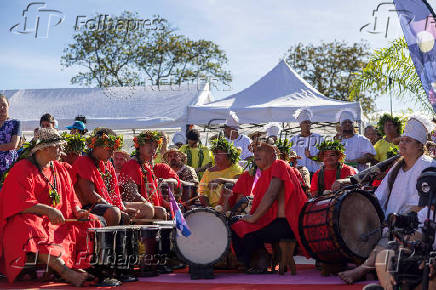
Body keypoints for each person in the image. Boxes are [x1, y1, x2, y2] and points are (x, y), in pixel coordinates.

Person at [338, 116, 436, 284]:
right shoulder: (397, 168)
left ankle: (362, 270)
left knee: (389, 243)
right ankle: (366, 267)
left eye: (408, 141)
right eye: (402, 140)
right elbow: (379, 197)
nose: (402, 144)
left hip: (418, 226)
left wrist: (397, 221)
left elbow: (426, 206)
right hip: (390, 224)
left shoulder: (428, 165)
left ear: (420, 146)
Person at [0, 128, 101, 286]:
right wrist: (48, 210)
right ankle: (65, 272)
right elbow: (18, 202)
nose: (62, 150)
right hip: (30, 220)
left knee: (91, 221)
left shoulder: (60, 168)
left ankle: (83, 267)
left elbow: (71, 196)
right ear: (45, 148)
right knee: (30, 227)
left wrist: (78, 210)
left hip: (58, 220)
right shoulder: (22, 169)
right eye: (58, 146)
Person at [231, 142, 308, 273]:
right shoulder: (265, 173)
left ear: (273, 154)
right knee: (236, 221)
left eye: (261, 150)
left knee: (237, 225)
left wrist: (253, 218)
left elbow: (271, 194)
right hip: (276, 223)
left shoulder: (279, 164)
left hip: (286, 224)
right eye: (254, 151)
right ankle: (257, 259)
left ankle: (259, 260)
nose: (256, 153)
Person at [71, 128, 137, 226]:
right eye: (109, 149)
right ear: (97, 146)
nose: (112, 154)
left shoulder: (108, 165)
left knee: (143, 210)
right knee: (114, 212)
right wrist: (116, 208)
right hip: (85, 207)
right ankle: (106, 241)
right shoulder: (83, 162)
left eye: (113, 150)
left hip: (103, 204)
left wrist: (123, 208)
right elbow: (91, 196)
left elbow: (115, 192)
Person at [119, 130, 178, 219]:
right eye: (150, 145)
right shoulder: (132, 164)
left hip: (146, 206)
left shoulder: (147, 166)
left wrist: (167, 205)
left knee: (164, 211)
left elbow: (153, 194)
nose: (153, 149)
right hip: (130, 208)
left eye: (155, 146)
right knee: (158, 211)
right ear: (140, 146)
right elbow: (133, 194)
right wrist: (151, 206)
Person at [198, 136, 243, 208]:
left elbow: (240, 181)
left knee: (229, 185)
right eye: (215, 153)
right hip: (212, 209)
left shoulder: (236, 168)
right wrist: (208, 207)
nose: (215, 156)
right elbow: (202, 193)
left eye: (219, 153)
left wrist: (221, 180)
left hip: (229, 209)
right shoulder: (208, 172)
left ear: (229, 156)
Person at [290, 109, 323, 175]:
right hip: (299, 174)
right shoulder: (293, 140)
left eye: (309, 122)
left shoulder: (319, 138)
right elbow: (290, 159)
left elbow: (323, 158)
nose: (307, 124)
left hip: (316, 174)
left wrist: (310, 157)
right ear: (300, 125)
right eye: (305, 122)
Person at [0, 95, 21, 176]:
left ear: (8, 105)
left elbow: (13, 145)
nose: (1, 108)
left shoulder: (15, 123)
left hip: (9, 165)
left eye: (4, 105)